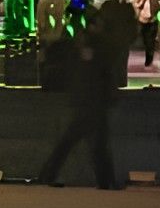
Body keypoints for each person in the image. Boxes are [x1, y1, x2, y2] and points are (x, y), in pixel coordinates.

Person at [33, 25, 119, 189]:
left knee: (71, 142)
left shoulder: (79, 53)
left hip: (86, 103)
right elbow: (104, 77)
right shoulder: (98, 53)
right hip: (94, 104)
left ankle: (48, 175)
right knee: (95, 144)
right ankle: (105, 180)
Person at [134, 0, 160, 69]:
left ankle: (149, 60)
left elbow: (157, 8)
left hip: (152, 21)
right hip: (143, 21)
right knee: (146, 41)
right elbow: (137, 5)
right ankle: (148, 56)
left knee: (150, 41)